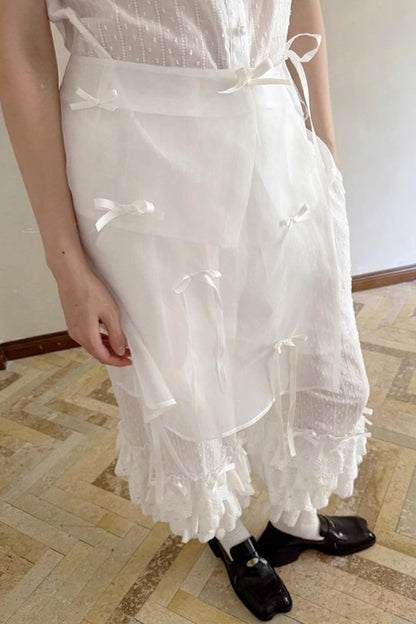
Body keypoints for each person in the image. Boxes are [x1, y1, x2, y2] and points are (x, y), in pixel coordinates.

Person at [0, 1, 376, 620]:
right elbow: (19, 46)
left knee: (305, 326)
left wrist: (324, 145)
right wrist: (66, 264)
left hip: (278, 135)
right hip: (138, 164)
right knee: (183, 361)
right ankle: (228, 533)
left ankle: (294, 515)